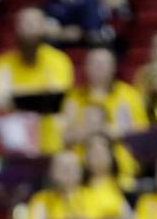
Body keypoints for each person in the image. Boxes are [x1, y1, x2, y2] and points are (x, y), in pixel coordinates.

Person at [0, 7, 75, 155]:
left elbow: (55, 101)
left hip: (51, 146)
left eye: (35, 23)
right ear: (17, 28)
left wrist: (13, 99)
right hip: (13, 149)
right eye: (25, 23)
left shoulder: (58, 61)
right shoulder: (2, 63)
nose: (30, 29)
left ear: (43, 28)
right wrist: (40, 98)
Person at [63, 49, 148, 185]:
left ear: (113, 67)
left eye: (103, 63)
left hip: (122, 172)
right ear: (85, 67)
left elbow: (142, 135)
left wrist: (113, 132)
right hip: (79, 175)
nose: (98, 68)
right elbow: (64, 136)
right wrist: (93, 131)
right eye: (94, 63)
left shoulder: (130, 96)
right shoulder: (73, 98)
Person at [82, 132, 129, 218]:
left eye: (102, 150)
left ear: (112, 155)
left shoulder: (125, 185)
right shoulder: (77, 187)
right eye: (92, 151)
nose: (98, 155)